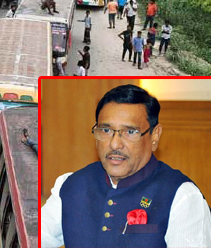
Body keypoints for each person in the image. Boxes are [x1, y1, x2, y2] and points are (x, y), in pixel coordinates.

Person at [40, 84, 211, 248]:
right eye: (106, 130)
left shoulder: (182, 196)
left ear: (154, 136)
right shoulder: (70, 185)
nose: (114, 145)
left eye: (130, 132)